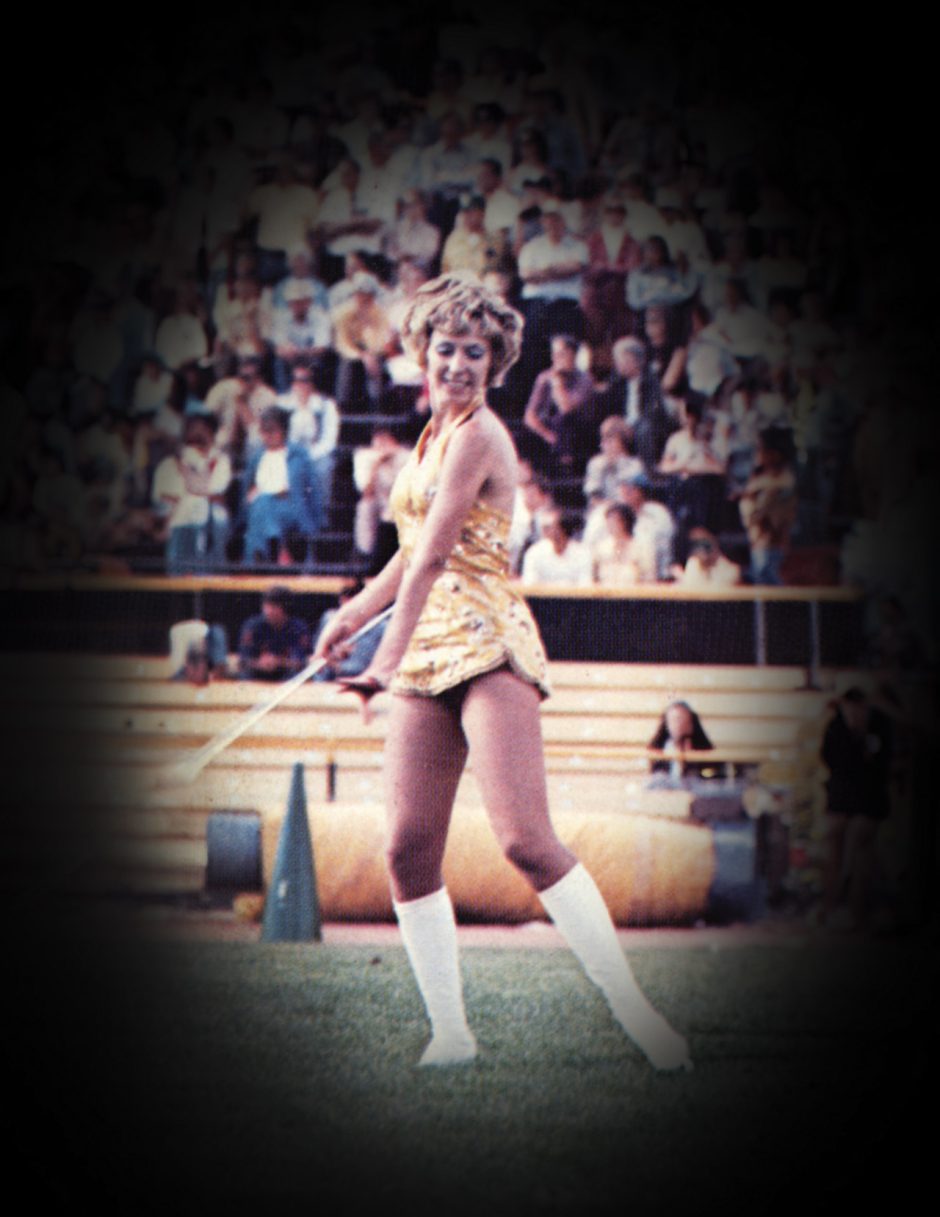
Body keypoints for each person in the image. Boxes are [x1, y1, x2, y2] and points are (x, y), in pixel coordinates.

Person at [313, 272, 691, 1072]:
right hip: (426, 647)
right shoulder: (427, 436)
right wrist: (350, 615)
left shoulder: (483, 435)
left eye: (473, 351)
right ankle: (452, 1031)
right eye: (444, 347)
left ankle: (640, 1016)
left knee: (525, 840)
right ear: (422, 353)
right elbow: (406, 557)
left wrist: (379, 660)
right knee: (407, 848)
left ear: (495, 363)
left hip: (484, 642)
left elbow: (438, 558)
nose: (456, 362)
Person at [819, 686, 894, 930]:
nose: (853, 708)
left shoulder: (879, 726)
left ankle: (858, 910)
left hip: (869, 798)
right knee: (835, 838)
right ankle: (832, 909)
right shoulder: (836, 726)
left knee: (860, 840)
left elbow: (880, 765)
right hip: (842, 797)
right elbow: (830, 760)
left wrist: (861, 737)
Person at [240, 405, 324, 565]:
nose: (268, 435)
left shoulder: (299, 455)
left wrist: (317, 519)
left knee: (261, 506)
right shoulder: (257, 457)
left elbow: (312, 488)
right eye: (264, 431)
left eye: (272, 430)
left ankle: (260, 555)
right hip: (261, 506)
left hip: (290, 505)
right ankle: (278, 549)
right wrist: (250, 496)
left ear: (283, 430)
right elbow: (247, 489)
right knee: (261, 505)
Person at [237, 585, 311, 679]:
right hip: (258, 672)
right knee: (246, 674)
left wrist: (278, 662)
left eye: (274, 607)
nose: (269, 611)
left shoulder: (298, 628)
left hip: (286, 673)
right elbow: (243, 660)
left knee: (296, 675)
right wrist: (260, 663)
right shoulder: (252, 626)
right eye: (266, 606)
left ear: (285, 608)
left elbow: (301, 662)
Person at [646, 700, 720, 787]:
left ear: (691, 723)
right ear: (666, 723)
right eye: (674, 720)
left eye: (682, 719)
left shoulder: (703, 752)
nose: (678, 724)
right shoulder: (658, 752)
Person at [520, 506, 593, 587]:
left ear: (563, 528)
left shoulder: (582, 554)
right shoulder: (534, 553)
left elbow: (585, 585)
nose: (544, 529)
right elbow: (529, 584)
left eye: (549, 526)